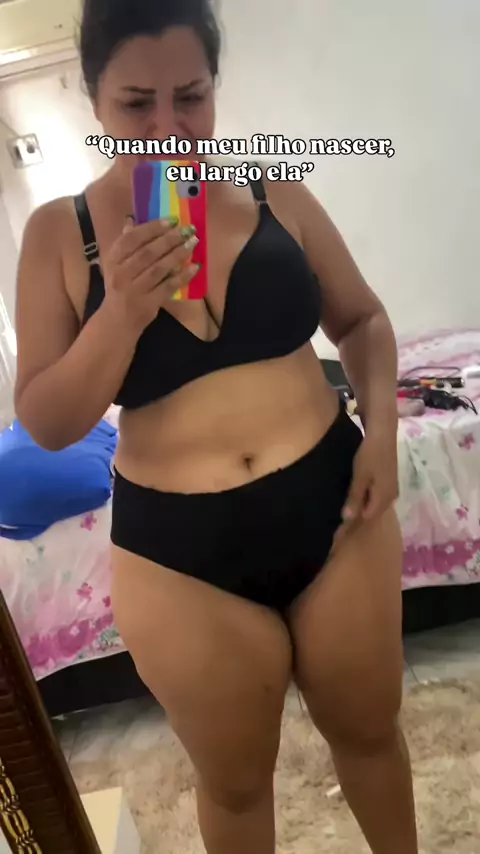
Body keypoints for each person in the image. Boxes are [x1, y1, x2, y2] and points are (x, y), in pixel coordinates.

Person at [14, 1, 418, 852]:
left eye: (191, 97)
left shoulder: (275, 191)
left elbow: (364, 322)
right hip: (180, 557)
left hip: (335, 507)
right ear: (95, 99)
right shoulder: (59, 235)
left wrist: (381, 431)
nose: (169, 128)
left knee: (371, 733)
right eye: (137, 104)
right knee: (235, 787)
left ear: (214, 88)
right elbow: (47, 421)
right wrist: (122, 310)